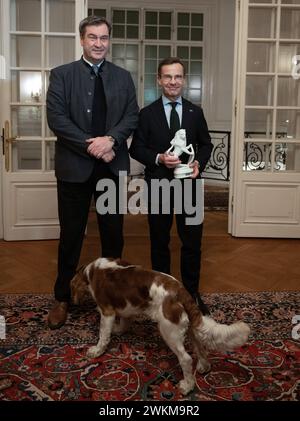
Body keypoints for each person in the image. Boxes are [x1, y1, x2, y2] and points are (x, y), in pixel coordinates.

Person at [46, 16, 139, 329]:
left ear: (108, 41)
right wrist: (94, 146)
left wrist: (111, 140)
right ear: (82, 40)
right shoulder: (61, 75)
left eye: (104, 38)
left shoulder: (124, 77)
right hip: (74, 169)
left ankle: (114, 297)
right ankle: (62, 297)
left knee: (113, 237)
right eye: (92, 37)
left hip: (111, 168)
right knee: (70, 237)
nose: (99, 43)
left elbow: (131, 116)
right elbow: (57, 120)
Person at [130, 57, 212, 315]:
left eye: (177, 77)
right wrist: (158, 158)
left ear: (183, 80)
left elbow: (206, 144)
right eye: (168, 77)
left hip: (189, 186)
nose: (173, 81)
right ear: (159, 79)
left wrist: (198, 162)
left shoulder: (194, 112)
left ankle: (191, 295)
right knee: (159, 242)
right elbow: (136, 148)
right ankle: (162, 296)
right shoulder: (147, 113)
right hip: (159, 187)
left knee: (192, 243)